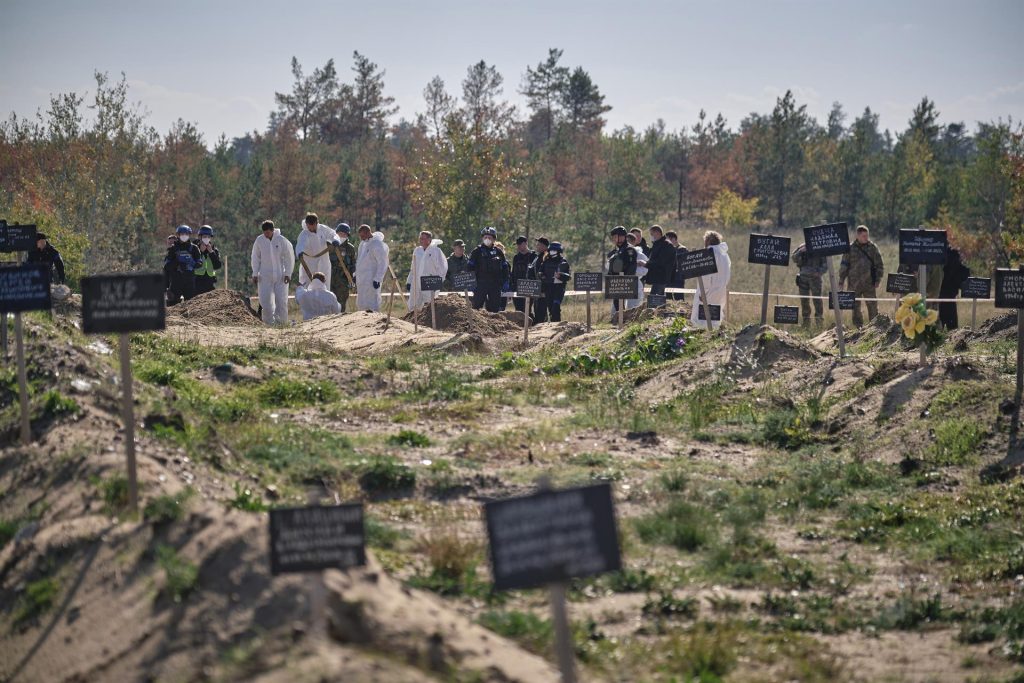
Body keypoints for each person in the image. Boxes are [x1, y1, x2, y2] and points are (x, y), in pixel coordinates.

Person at [838, 225, 885, 327]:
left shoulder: (872, 248)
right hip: (854, 284)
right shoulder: (850, 248)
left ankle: (874, 327)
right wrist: (841, 280)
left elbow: (879, 265)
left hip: (869, 283)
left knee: (872, 306)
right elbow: (844, 265)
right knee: (855, 308)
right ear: (858, 236)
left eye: (867, 236)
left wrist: (878, 279)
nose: (866, 238)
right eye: (863, 236)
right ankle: (858, 328)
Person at [251, 220, 295, 325]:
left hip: (280, 275)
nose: (266, 235)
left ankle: (282, 324)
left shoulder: (281, 240)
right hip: (264, 276)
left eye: (268, 232)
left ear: (272, 230)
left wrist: (288, 273)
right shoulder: (259, 240)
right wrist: (255, 273)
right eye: (264, 232)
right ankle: (268, 323)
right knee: (265, 301)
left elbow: (289, 257)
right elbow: (255, 257)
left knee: (281, 301)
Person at [467, 227, 509, 312]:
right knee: (476, 308)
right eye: (485, 237)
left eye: (489, 238)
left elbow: (505, 268)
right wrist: (471, 283)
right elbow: (469, 268)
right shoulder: (476, 251)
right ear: (482, 238)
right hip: (480, 285)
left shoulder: (498, 252)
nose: (487, 239)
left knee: (494, 310)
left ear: (494, 239)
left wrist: (505, 282)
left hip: (495, 285)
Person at [407, 231, 448, 311]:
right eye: (420, 238)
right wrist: (409, 281)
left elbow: (443, 267)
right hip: (416, 282)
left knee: (429, 305)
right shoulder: (417, 251)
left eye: (423, 238)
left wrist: (438, 282)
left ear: (429, 239)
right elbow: (413, 267)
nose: (421, 240)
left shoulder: (436, 251)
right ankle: (412, 322)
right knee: (413, 304)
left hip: (429, 283)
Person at [697, 230, 731, 330]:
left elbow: (706, 277)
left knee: (703, 321)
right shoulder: (725, 255)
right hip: (721, 290)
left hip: (709, 291)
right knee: (716, 317)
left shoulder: (709, 254)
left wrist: (703, 293)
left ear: (707, 241)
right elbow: (727, 275)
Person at [295, 213, 339, 287]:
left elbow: (333, 234)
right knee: (307, 288)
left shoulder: (323, 229)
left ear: (316, 223)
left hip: (324, 264)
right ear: (306, 224)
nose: (311, 229)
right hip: (309, 266)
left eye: (313, 226)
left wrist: (335, 240)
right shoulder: (304, 234)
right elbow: (299, 245)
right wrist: (299, 253)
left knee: (325, 287)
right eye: (309, 227)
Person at [355, 224, 390, 312]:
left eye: (362, 235)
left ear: (368, 232)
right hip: (361, 279)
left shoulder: (377, 244)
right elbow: (359, 261)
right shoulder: (362, 244)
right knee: (361, 301)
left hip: (372, 279)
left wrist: (378, 278)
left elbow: (383, 262)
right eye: (360, 236)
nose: (361, 238)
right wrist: (355, 274)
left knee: (372, 300)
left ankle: (374, 317)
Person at [164, 225, 203, 305]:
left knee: (191, 305)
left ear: (189, 235)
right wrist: (177, 263)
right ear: (178, 235)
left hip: (189, 281)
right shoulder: (173, 249)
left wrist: (193, 264)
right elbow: (167, 265)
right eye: (182, 234)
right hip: (176, 281)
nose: (184, 236)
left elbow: (200, 262)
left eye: (186, 234)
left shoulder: (194, 248)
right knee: (172, 305)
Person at [533, 241, 571, 323]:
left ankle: (557, 325)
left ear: (558, 251)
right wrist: (542, 276)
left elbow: (568, 277)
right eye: (551, 250)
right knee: (550, 308)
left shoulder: (563, 262)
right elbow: (539, 273)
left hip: (559, 289)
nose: (551, 252)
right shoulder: (546, 261)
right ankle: (552, 326)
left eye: (554, 250)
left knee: (555, 307)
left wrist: (560, 275)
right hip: (548, 288)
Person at [606, 226, 638, 318]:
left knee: (621, 304)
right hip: (615, 282)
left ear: (623, 237)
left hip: (624, 282)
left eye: (617, 237)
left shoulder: (629, 250)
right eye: (614, 237)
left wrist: (624, 280)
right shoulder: (618, 250)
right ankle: (621, 321)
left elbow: (631, 268)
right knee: (617, 304)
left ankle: (623, 321)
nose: (615, 239)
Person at [792, 242, 826, 327]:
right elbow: (793, 258)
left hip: (815, 279)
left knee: (817, 301)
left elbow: (825, 264)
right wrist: (801, 251)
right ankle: (806, 323)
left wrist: (819, 273)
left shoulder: (820, 247)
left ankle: (819, 324)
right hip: (803, 278)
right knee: (804, 301)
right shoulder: (802, 246)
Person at [939, 245, 970, 329]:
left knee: (939, 324)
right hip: (950, 295)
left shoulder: (941, 255)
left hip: (941, 295)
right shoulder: (955, 256)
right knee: (951, 326)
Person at [328, 222, 357, 312]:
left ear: (347, 235)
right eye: (340, 233)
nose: (342, 236)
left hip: (343, 280)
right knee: (329, 301)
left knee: (341, 302)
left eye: (344, 234)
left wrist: (353, 278)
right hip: (330, 277)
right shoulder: (330, 246)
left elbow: (353, 264)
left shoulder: (350, 248)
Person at [645, 225, 675, 298]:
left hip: (661, 278)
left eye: (652, 234)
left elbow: (661, 261)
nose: (651, 236)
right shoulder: (658, 244)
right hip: (657, 278)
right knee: (655, 299)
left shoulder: (666, 245)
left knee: (654, 300)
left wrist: (646, 264)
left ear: (657, 233)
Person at [193, 225, 222, 295]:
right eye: (205, 236)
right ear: (200, 237)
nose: (207, 238)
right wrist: (200, 252)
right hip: (197, 282)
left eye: (209, 237)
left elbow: (217, 266)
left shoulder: (214, 250)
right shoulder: (194, 248)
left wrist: (211, 252)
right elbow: (192, 264)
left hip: (210, 282)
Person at [510, 236, 535, 313]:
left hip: (529, 287)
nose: (518, 246)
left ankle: (529, 324)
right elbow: (513, 272)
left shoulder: (533, 256)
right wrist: (511, 286)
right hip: (517, 287)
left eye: (520, 244)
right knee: (518, 310)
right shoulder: (516, 257)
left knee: (527, 310)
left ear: (525, 243)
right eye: (517, 245)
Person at [625, 233, 648, 310]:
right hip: (621, 282)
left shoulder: (640, 255)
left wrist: (631, 271)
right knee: (618, 308)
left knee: (633, 307)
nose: (627, 243)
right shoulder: (620, 253)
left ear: (634, 242)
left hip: (634, 283)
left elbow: (646, 269)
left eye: (629, 241)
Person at [666, 230, 688, 301]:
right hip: (669, 280)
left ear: (674, 239)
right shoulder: (669, 249)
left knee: (679, 302)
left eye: (668, 240)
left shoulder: (682, 249)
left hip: (678, 280)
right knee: (668, 302)